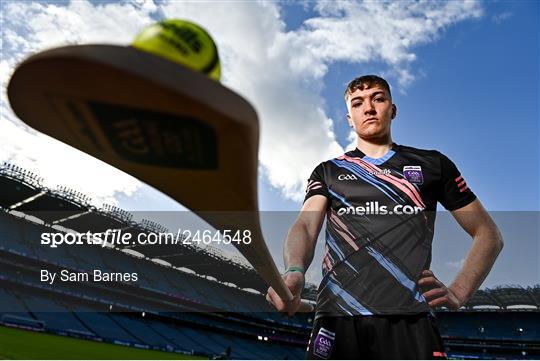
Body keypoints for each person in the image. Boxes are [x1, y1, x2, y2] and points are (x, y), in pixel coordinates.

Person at [266, 75, 504, 359]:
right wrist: (294, 271)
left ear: (393, 109)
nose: (368, 108)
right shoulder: (327, 171)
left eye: (378, 99)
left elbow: (488, 234)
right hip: (338, 318)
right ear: (349, 118)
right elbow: (305, 226)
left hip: (410, 320)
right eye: (358, 103)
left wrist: (460, 290)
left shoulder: (432, 164)